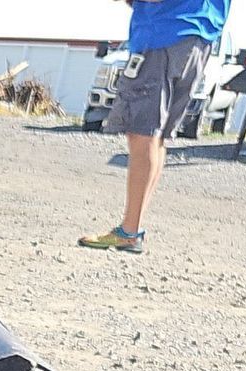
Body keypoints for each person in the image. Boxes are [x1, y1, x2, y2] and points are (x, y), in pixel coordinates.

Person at [79, 0, 233, 254]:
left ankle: (129, 232)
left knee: (142, 133)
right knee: (156, 136)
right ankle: (133, 227)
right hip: (197, 40)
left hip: (164, 34)